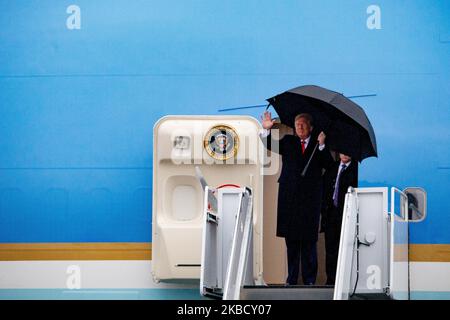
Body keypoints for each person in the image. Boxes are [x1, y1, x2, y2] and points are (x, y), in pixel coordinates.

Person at [260, 111, 333, 285]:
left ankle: (309, 281)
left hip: (310, 201)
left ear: (311, 127)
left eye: (303, 123)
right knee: (291, 243)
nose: (299, 126)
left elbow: (329, 165)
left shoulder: (318, 145)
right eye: (297, 124)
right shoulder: (289, 141)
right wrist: (266, 131)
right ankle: (291, 279)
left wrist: (322, 146)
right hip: (289, 199)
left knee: (308, 243)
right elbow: (271, 145)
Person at [321, 153, 358, 285]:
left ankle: (345, 280)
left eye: (348, 151)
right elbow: (324, 187)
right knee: (330, 248)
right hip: (331, 214)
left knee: (346, 247)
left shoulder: (356, 169)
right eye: (342, 151)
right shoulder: (333, 167)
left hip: (346, 214)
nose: (344, 154)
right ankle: (331, 280)